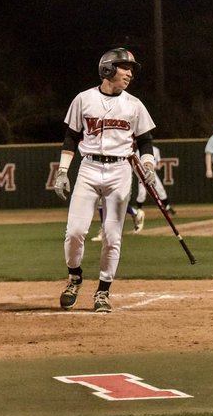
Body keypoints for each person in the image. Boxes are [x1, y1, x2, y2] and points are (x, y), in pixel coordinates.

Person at [51, 48, 159, 313]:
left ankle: (103, 291)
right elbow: (71, 137)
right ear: (108, 69)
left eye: (131, 69)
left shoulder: (134, 105)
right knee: (75, 231)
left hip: (120, 170)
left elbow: (145, 141)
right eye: (125, 68)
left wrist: (148, 165)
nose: (130, 74)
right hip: (88, 168)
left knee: (112, 236)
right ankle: (74, 277)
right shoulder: (83, 99)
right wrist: (63, 171)